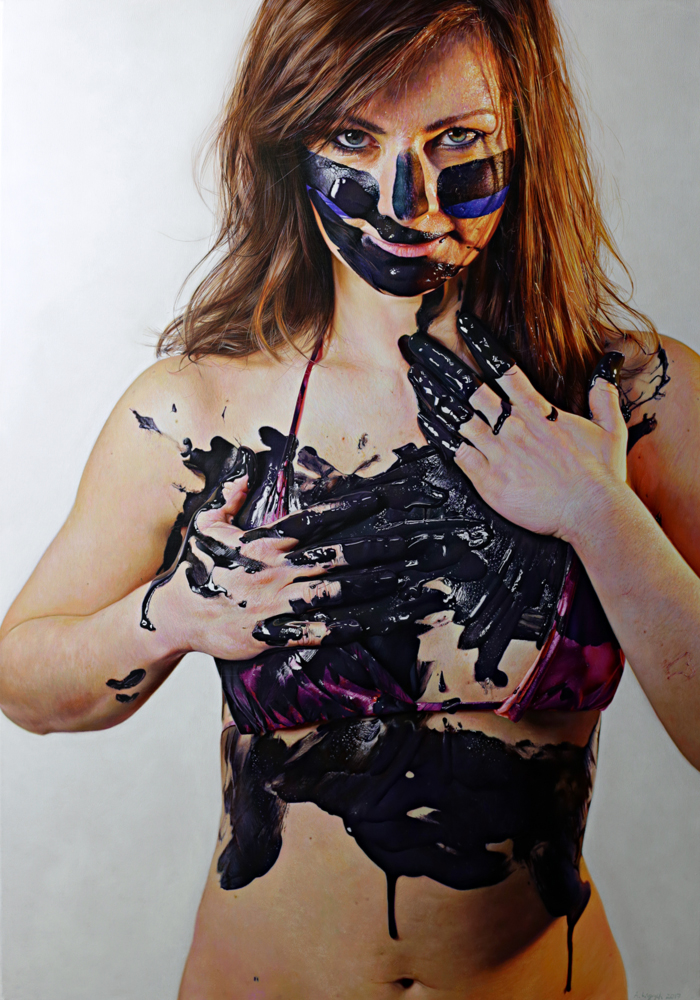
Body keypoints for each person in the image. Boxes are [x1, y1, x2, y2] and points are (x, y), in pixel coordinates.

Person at [1, 0, 699, 997]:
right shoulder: (199, 413)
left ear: (526, 132)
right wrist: (168, 615)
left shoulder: (630, 405)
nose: (406, 199)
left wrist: (600, 515)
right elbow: (22, 683)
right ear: (292, 143)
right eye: (352, 138)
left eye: (455, 140)